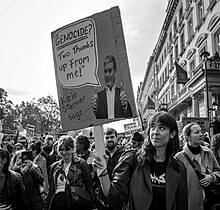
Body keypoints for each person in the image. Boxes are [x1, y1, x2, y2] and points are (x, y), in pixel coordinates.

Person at [93, 111, 188, 210]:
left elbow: (182, 204)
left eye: (162, 128)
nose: (155, 132)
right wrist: (103, 173)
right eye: (153, 127)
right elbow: (114, 196)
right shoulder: (132, 159)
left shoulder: (178, 168)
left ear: (172, 134)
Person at [43, 135, 96, 210]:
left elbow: (89, 187)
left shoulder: (81, 164)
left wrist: (94, 206)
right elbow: (51, 191)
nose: (64, 152)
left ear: (73, 149)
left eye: (67, 149)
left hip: (77, 204)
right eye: (61, 149)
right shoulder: (54, 167)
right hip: (58, 205)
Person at [175, 122, 220, 210]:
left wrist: (212, 177)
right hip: (190, 203)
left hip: (210, 202)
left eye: (201, 131)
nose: (201, 134)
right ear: (187, 137)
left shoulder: (209, 153)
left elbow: (218, 170)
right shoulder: (179, 158)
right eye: (196, 132)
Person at [91, 55, 133, 119]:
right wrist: (95, 109)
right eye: (105, 71)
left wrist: (125, 105)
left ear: (115, 71)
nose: (107, 75)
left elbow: (130, 116)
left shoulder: (121, 96)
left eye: (110, 71)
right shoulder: (99, 97)